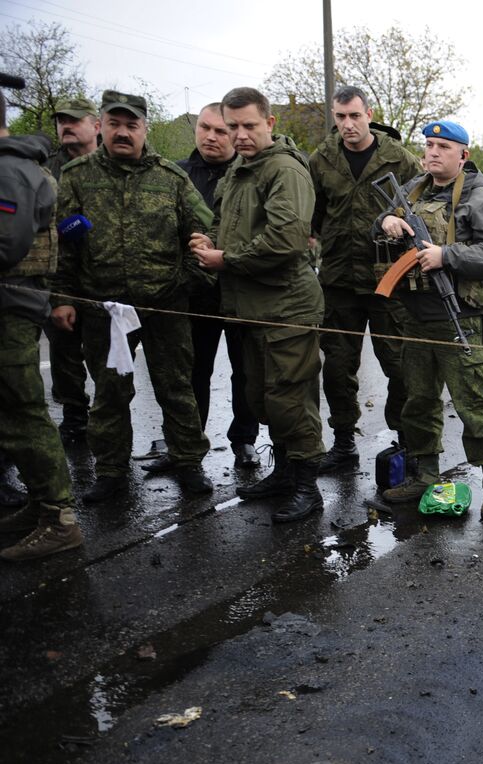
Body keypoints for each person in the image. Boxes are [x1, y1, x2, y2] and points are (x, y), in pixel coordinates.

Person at [51, 90, 213, 504]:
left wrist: (185, 282)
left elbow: (203, 234)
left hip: (165, 306)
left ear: (145, 129)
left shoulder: (171, 178)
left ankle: (188, 461)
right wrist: (63, 298)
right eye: (114, 124)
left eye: (131, 125)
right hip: (104, 310)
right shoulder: (77, 176)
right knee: (110, 391)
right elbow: (62, 243)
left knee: (176, 387)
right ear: (101, 126)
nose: (122, 132)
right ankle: (110, 470)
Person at [190, 86, 326, 523]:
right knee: (262, 398)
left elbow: (286, 240)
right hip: (250, 308)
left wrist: (225, 259)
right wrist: (208, 240)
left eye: (249, 125)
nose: (240, 135)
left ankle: (307, 487)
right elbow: (226, 223)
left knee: (291, 399)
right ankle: (284, 473)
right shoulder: (239, 170)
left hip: (287, 308)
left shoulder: (284, 169)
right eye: (232, 126)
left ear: (269, 123)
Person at [374, 119, 483, 519]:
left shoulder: (479, 197)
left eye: (444, 147)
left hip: (460, 319)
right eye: (429, 145)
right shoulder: (412, 190)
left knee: (474, 405)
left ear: (463, 155)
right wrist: (385, 221)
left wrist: (446, 255)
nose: (433, 152)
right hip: (416, 316)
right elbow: (378, 226)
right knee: (418, 401)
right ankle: (426, 475)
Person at [309, 86, 419, 474]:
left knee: (400, 365)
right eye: (340, 117)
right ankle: (343, 443)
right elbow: (313, 216)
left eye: (355, 116)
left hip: (389, 279)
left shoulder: (399, 159)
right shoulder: (321, 160)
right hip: (339, 280)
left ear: (369, 115)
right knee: (338, 369)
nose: (348, 124)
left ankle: (406, 441)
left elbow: (423, 208)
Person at [0, 76, 83, 560]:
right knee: (12, 413)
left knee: (23, 413)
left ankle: (59, 518)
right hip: (12, 306)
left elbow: (7, 245)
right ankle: (40, 504)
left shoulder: (9, 172)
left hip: (10, 308)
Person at [179, 103, 260, 469]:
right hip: (196, 292)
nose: (210, 137)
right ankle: (189, 443)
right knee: (194, 369)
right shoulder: (178, 174)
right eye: (204, 128)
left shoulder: (249, 174)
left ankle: (244, 439)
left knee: (246, 370)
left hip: (240, 289)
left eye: (220, 130)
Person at [44, 96, 100, 443]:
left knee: (105, 355)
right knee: (63, 348)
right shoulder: (45, 169)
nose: (66, 126)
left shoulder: (112, 163)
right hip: (59, 274)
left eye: (74, 120)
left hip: (103, 276)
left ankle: (108, 416)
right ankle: (75, 413)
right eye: (61, 121)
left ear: (96, 126)